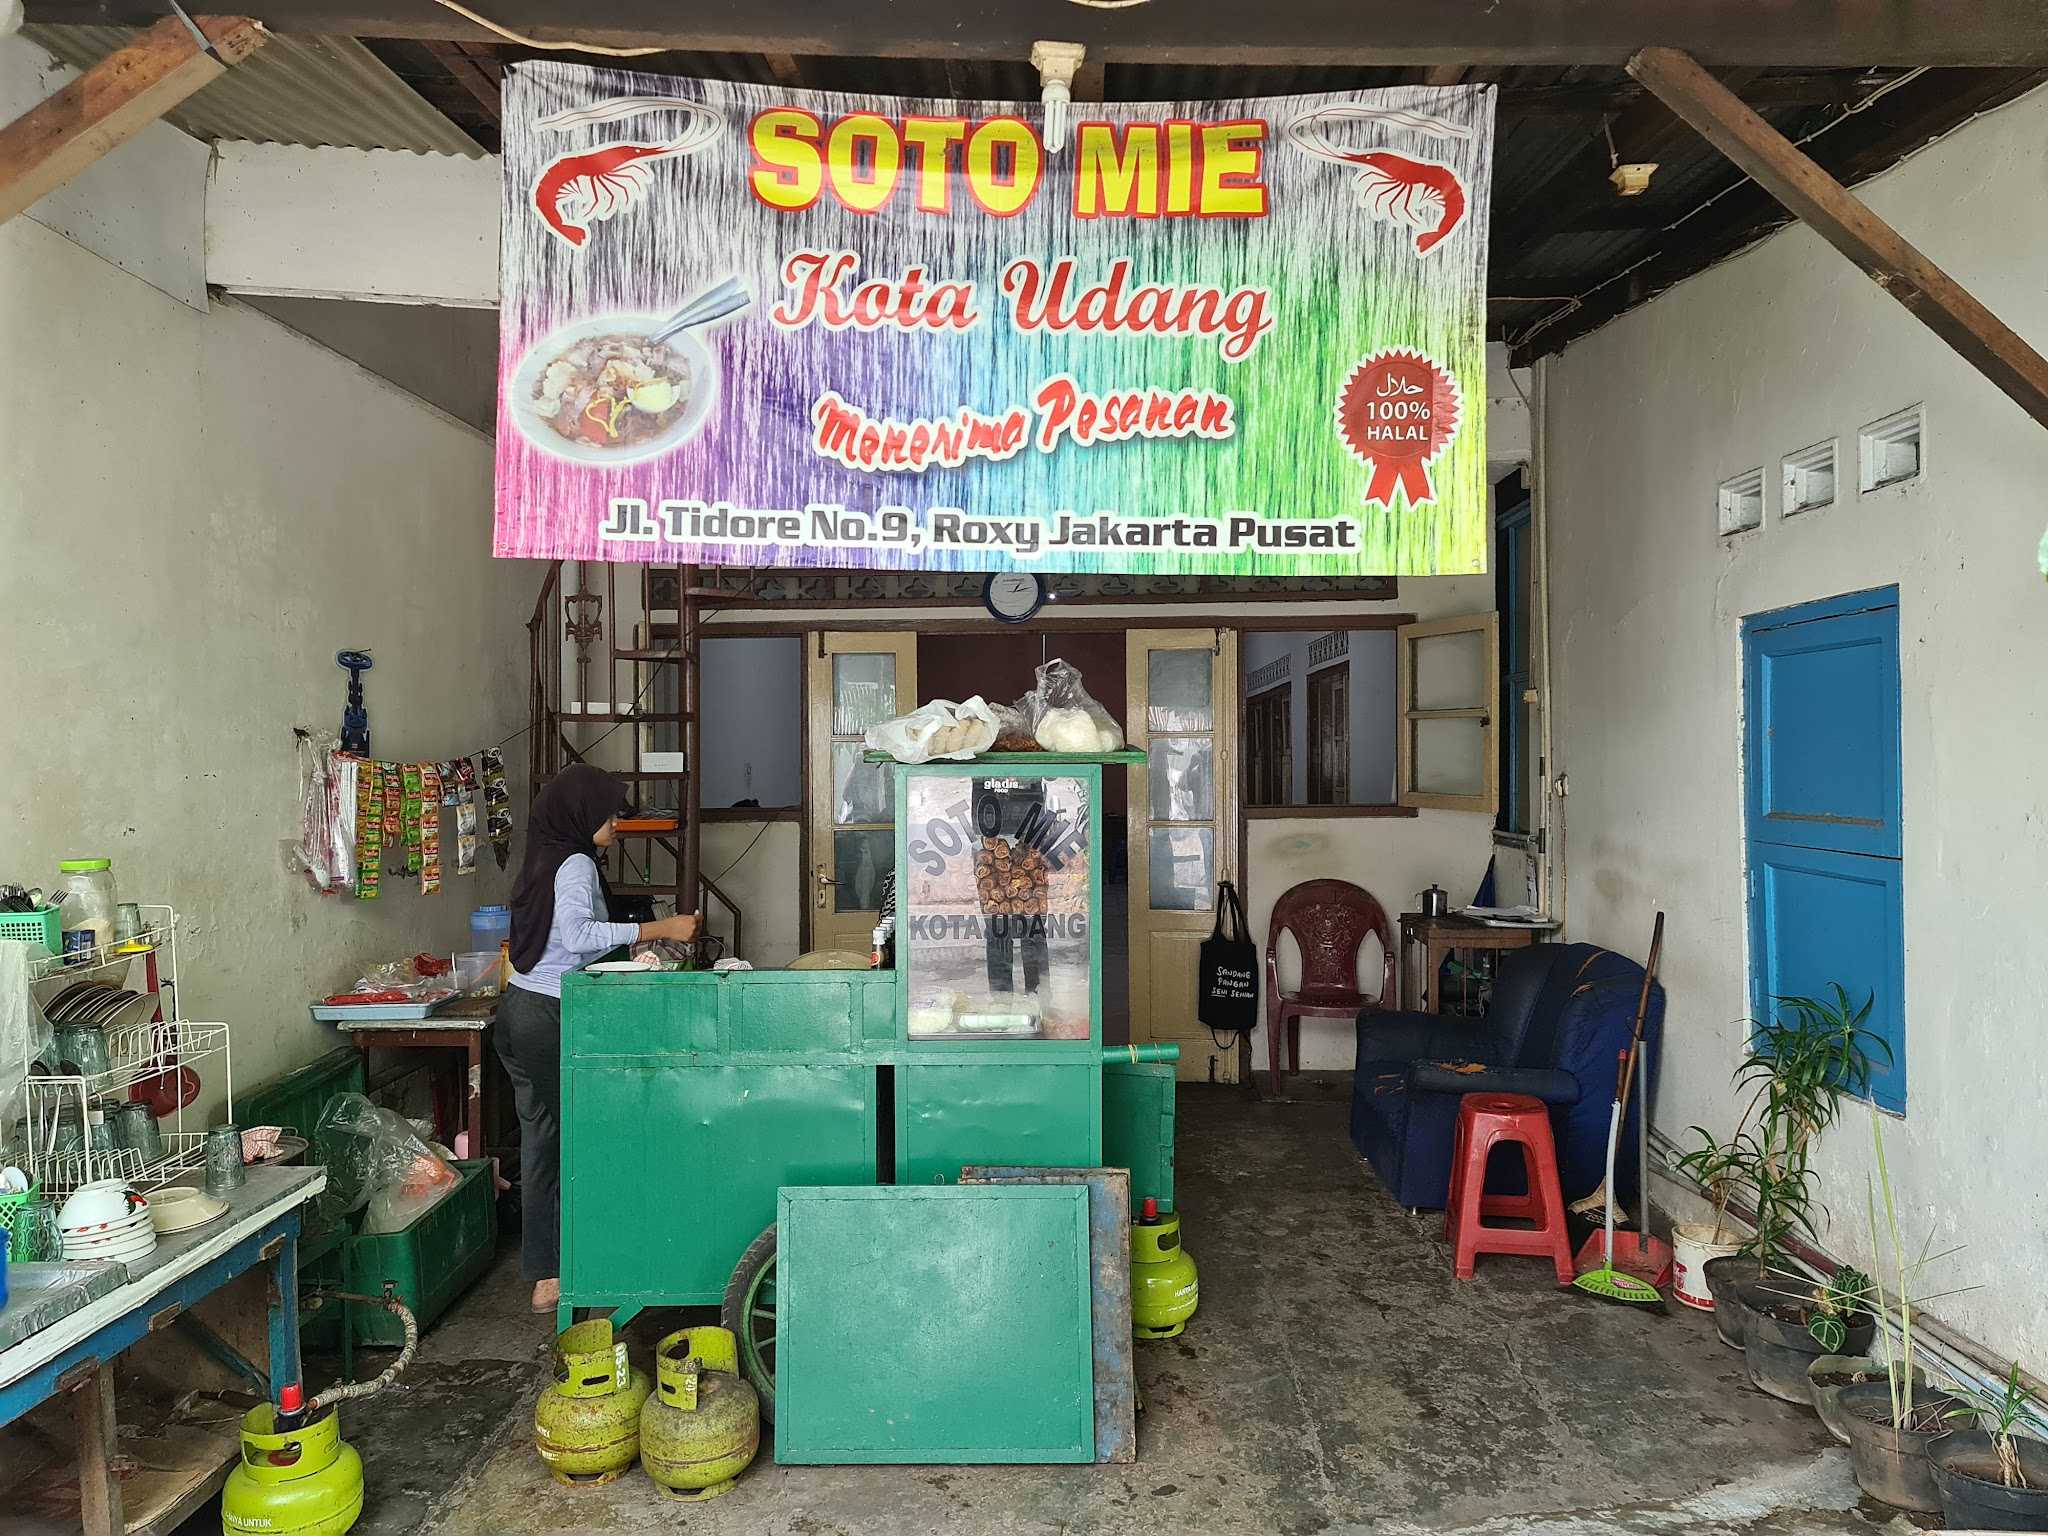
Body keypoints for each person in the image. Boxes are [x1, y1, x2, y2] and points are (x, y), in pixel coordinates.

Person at [498, 764, 698, 1313]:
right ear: (582, 816)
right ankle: (582, 1264)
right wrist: (660, 929)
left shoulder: (544, 855)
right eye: (609, 815)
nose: (615, 824)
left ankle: (547, 1274)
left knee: (542, 1140)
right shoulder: (577, 861)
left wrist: (624, 951)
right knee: (580, 1137)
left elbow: (564, 941)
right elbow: (577, 935)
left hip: (516, 1011)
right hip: (548, 1015)